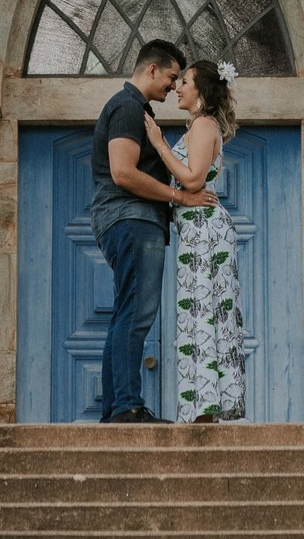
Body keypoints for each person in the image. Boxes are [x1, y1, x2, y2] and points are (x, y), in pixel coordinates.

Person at [90, 40, 217, 423]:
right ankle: (128, 407)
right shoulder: (128, 107)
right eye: (171, 77)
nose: (173, 86)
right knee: (137, 313)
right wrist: (179, 197)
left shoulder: (133, 108)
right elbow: (123, 172)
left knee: (125, 313)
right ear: (151, 70)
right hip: (132, 218)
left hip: (126, 219)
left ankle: (115, 410)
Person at [144, 58, 246, 423]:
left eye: (184, 81)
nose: (177, 87)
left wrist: (159, 145)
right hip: (194, 229)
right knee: (197, 312)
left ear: (200, 90)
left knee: (204, 312)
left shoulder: (204, 125)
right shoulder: (198, 126)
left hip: (205, 229)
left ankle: (205, 410)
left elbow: (192, 180)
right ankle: (202, 408)